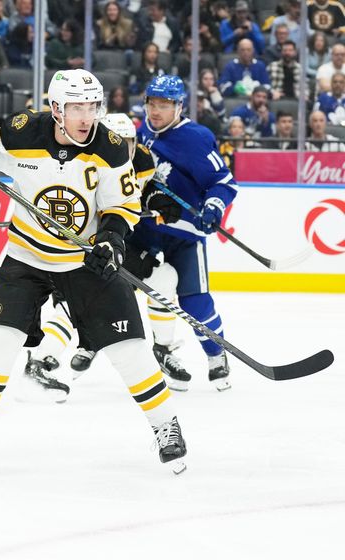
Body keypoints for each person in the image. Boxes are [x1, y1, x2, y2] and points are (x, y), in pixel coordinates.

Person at [0, 69, 188, 472]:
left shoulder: (111, 147)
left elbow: (121, 207)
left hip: (84, 261)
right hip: (25, 257)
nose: (86, 117)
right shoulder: (22, 131)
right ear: (56, 108)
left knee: (128, 348)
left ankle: (166, 426)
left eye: (92, 107)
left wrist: (110, 241)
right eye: (77, 107)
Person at [20, 112, 182, 395]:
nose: (124, 147)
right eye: (119, 140)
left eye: (129, 141)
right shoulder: (85, 158)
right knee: (71, 305)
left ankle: (162, 348)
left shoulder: (142, 161)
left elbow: (140, 191)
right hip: (80, 247)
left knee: (164, 277)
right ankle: (41, 360)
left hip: (116, 245)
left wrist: (157, 198)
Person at [134, 74, 238, 392]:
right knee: (130, 289)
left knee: (195, 302)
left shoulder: (195, 137)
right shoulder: (140, 132)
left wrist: (214, 207)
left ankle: (215, 353)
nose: (156, 110)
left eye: (164, 104)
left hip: (185, 234)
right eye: (152, 102)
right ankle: (161, 351)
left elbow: (223, 182)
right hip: (147, 229)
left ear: (179, 106)